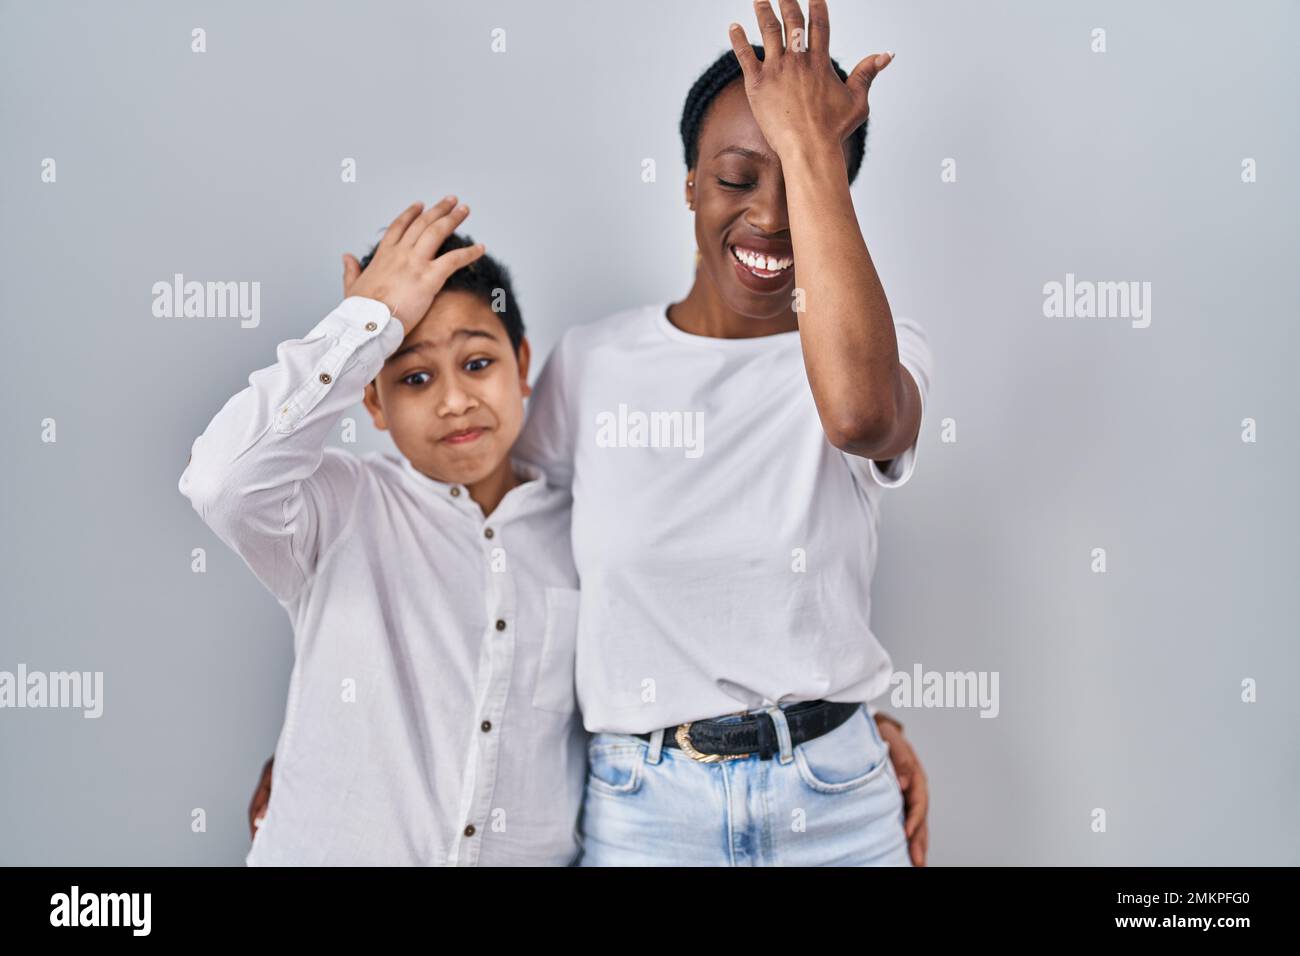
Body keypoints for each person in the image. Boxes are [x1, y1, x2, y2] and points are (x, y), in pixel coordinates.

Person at [513, 0, 933, 865]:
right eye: (739, 177)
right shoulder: (593, 364)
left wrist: (812, 140)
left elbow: (859, 417)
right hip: (643, 811)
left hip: (837, 802)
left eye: (804, 177)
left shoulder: (877, 354)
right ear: (689, 184)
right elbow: (499, 574)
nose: (771, 218)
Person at [181, 199, 586, 865]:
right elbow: (220, 480)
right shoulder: (341, 509)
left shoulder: (580, 530)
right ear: (373, 399)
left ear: (523, 362)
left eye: (478, 363)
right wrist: (368, 322)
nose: (454, 400)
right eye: (415, 377)